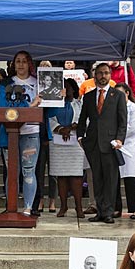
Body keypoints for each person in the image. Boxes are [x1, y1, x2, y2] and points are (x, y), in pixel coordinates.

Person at [77, 63, 127, 224]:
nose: (103, 76)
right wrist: (80, 137)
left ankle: (108, 212)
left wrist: (120, 139)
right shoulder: (89, 96)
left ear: (110, 75)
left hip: (111, 144)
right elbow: (82, 119)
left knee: (110, 180)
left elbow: (122, 121)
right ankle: (99, 210)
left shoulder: (117, 96)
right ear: (95, 76)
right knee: (97, 179)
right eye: (100, 73)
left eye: (106, 73)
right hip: (92, 143)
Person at [0, 51, 45, 216]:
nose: (21, 64)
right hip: (10, 134)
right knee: (12, 171)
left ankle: (28, 208)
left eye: (24, 61)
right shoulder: (6, 84)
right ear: (13, 64)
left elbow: (49, 108)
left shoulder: (39, 83)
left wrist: (59, 98)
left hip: (31, 133)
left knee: (29, 171)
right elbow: (4, 109)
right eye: (18, 61)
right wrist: (30, 107)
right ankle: (11, 208)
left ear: (29, 63)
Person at [48, 78, 86, 218]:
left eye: (68, 87)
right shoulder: (53, 105)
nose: (66, 90)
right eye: (63, 87)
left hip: (75, 142)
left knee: (76, 176)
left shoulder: (79, 104)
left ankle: (79, 207)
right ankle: (63, 206)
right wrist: (60, 128)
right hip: (57, 142)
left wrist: (72, 127)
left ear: (74, 89)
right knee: (61, 176)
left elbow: (84, 118)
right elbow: (49, 118)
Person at [114, 83, 135, 219]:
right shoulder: (112, 107)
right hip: (114, 145)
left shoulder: (134, 108)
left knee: (130, 177)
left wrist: (118, 137)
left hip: (127, 145)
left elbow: (132, 128)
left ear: (127, 93)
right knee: (114, 178)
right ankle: (116, 208)